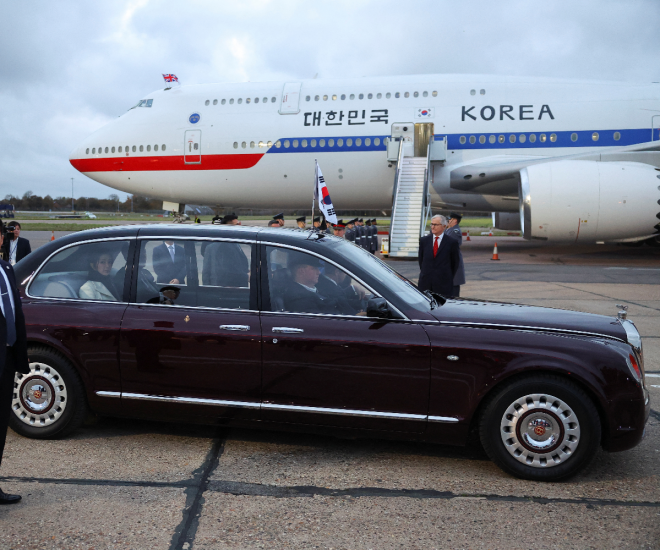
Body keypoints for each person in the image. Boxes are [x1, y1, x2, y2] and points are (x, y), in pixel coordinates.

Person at [0, 221, 29, 505]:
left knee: (0, 429)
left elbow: (15, 312)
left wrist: (20, 356)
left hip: (6, 359)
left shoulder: (6, 269)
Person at [282, 255, 350, 315]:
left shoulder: (317, 289)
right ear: (301, 271)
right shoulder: (298, 298)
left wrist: (353, 289)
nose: (319, 272)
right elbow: (322, 322)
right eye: (314, 268)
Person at [418, 215, 460, 297]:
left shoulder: (451, 242)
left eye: (436, 225)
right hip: (426, 284)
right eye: (432, 224)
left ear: (444, 226)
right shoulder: (424, 241)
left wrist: (445, 276)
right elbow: (421, 261)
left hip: (443, 285)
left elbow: (455, 263)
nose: (432, 227)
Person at [445, 212, 466, 297]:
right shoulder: (449, 230)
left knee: (453, 287)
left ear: (455, 221)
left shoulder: (454, 231)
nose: (448, 221)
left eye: (450, 219)